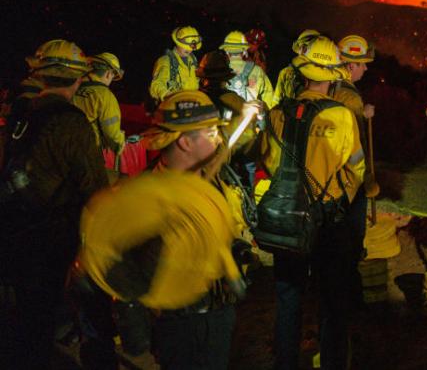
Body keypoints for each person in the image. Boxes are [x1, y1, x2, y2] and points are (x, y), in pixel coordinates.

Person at [0, 40, 111, 368]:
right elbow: (94, 186)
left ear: (40, 74)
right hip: (53, 238)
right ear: (78, 79)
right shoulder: (72, 122)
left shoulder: (22, 112)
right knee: (48, 317)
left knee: (26, 315)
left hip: (16, 227)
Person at [257, 37, 364, 370]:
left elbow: (270, 161)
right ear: (332, 75)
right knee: (332, 302)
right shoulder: (342, 116)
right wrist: (334, 197)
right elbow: (356, 169)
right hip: (327, 221)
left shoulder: (277, 114)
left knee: (289, 297)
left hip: (287, 217)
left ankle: (285, 362)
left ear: (302, 73)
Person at [139, 90, 247, 370]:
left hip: (217, 312)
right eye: (211, 132)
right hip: (185, 324)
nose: (219, 139)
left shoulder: (206, 174)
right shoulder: (153, 198)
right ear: (186, 142)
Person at [73, 52, 126, 181]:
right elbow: (111, 132)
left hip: (63, 152)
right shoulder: (105, 96)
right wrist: (120, 143)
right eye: (113, 76)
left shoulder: (71, 88)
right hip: (88, 155)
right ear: (108, 73)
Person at [219, 30, 277, 108]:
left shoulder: (217, 69)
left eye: (257, 44)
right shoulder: (257, 70)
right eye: (252, 43)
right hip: (249, 115)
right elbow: (268, 95)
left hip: (226, 114)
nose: (254, 46)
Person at [149, 26, 202, 104]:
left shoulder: (193, 60)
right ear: (177, 43)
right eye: (186, 47)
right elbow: (156, 85)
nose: (189, 49)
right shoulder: (166, 61)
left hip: (193, 104)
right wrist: (168, 95)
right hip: (175, 107)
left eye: (191, 47)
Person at [275, 29, 320, 103]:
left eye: (306, 49)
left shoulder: (323, 79)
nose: (302, 53)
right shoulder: (286, 73)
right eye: (302, 48)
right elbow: (277, 100)